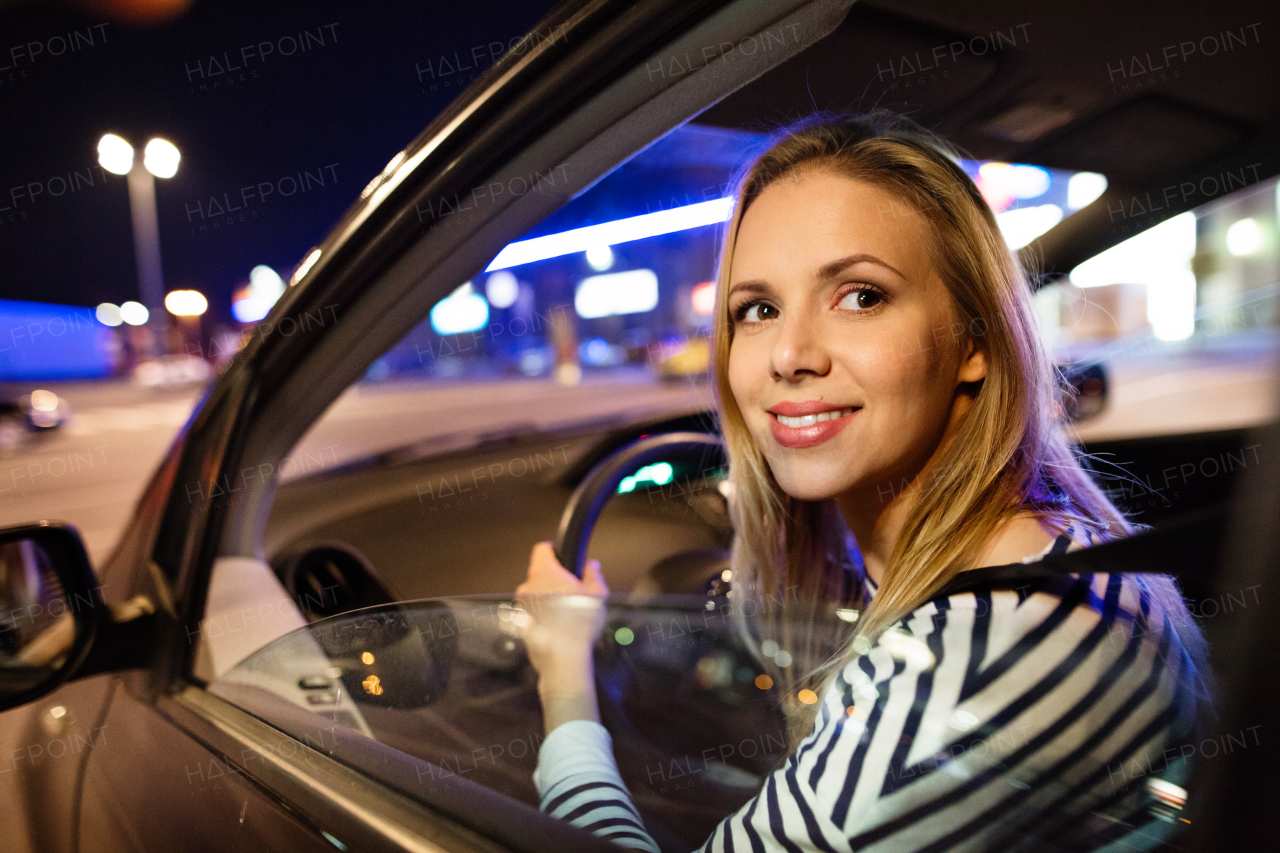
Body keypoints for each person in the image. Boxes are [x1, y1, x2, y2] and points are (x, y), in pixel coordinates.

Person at [516, 113, 1210, 852]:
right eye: (757, 310)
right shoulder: (1049, 549)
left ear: (975, 339)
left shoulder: (984, 656)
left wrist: (564, 675)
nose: (788, 353)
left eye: (860, 296)